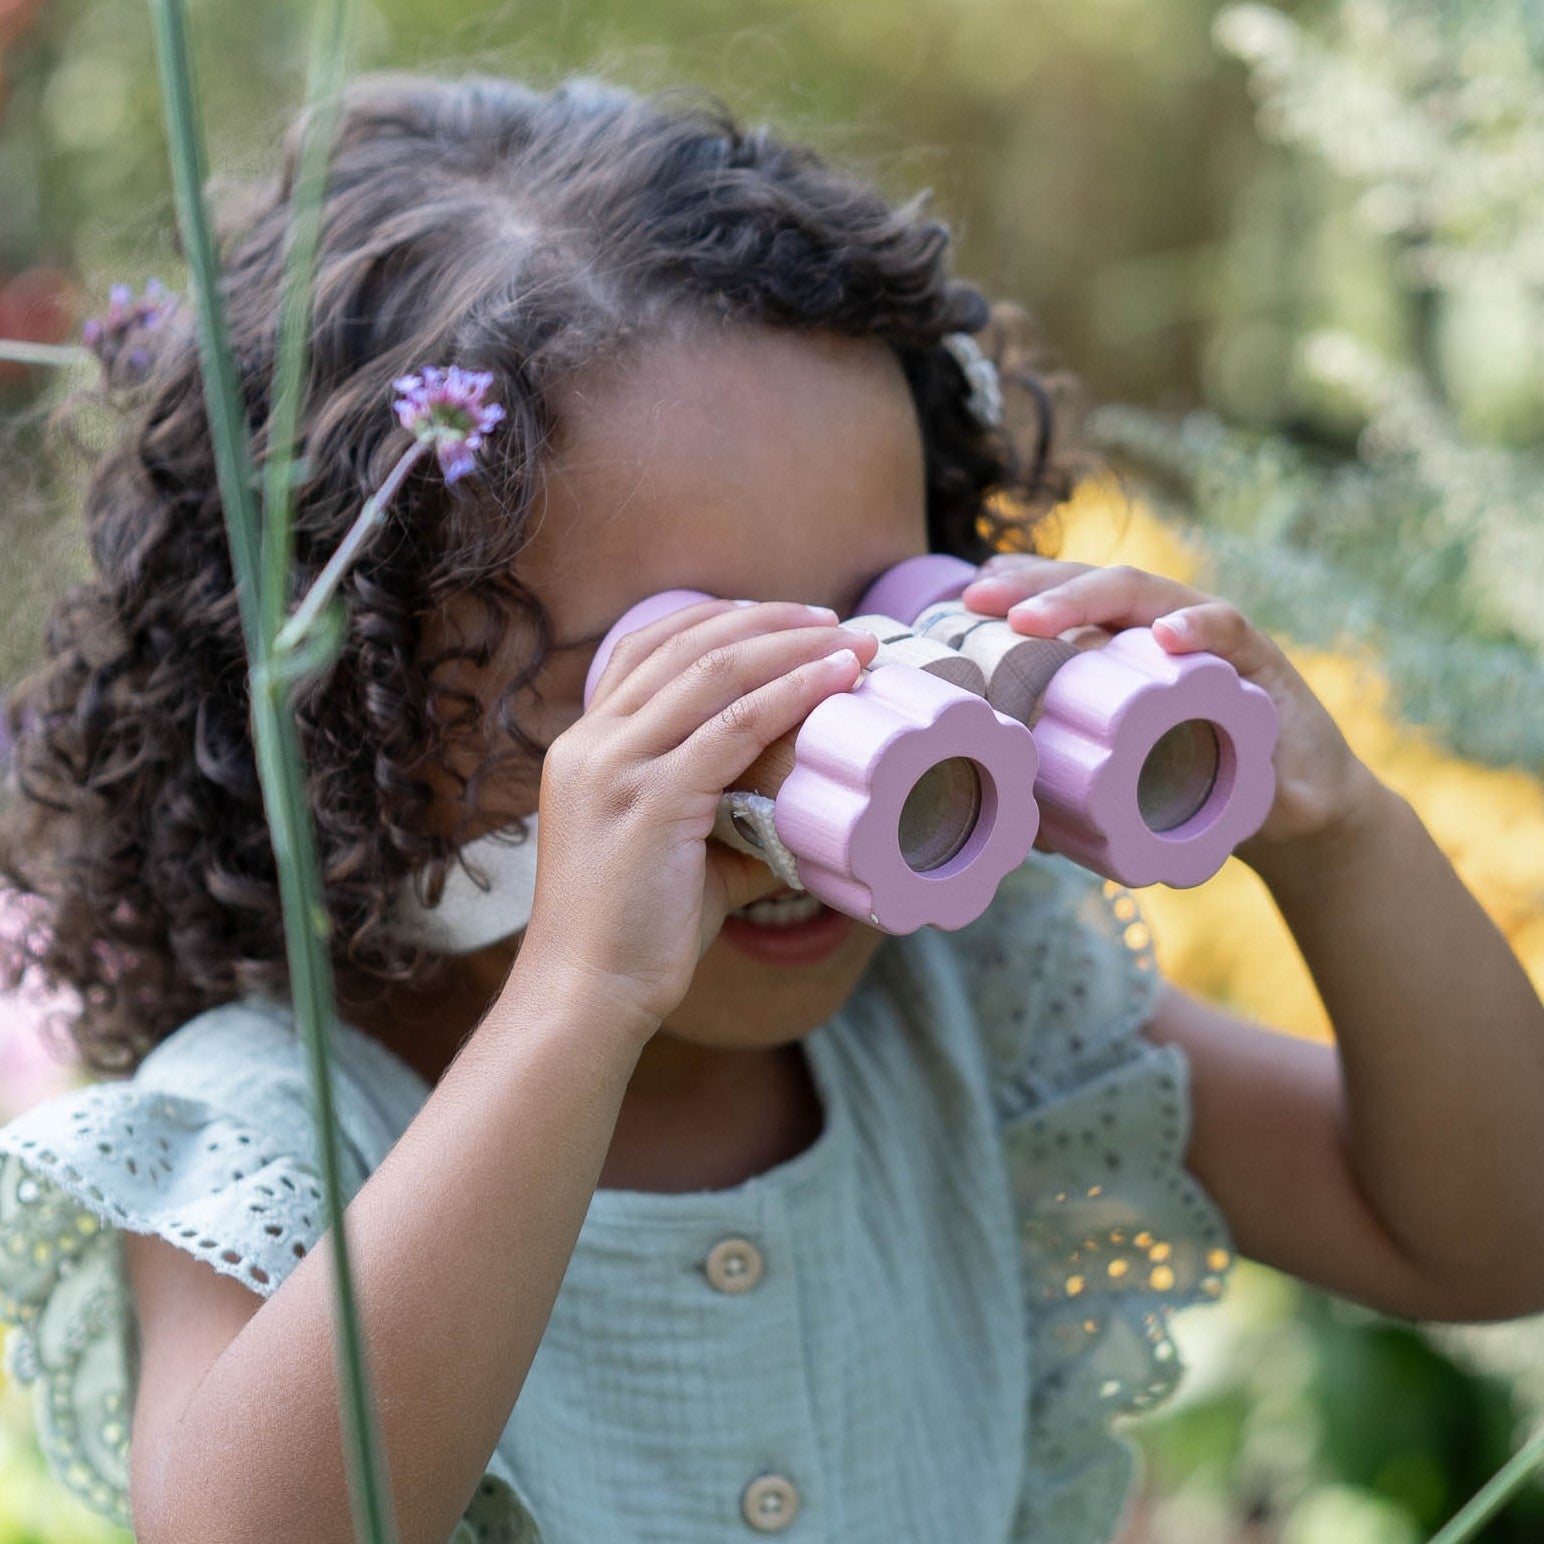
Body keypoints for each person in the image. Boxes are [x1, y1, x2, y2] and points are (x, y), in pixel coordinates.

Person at [0, 70, 1540, 1544]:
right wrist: (584, 999)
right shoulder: (279, 1131)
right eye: (679, 685)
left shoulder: (971, 1015)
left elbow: (1488, 1234)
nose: (833, 750)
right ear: (351, 711)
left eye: (893, 622)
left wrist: (1345, 839)